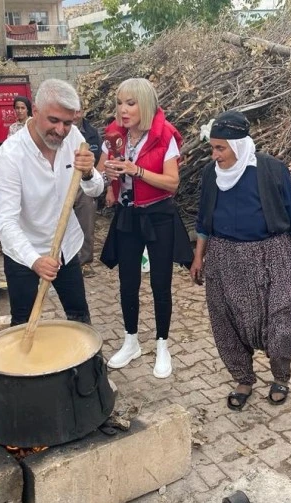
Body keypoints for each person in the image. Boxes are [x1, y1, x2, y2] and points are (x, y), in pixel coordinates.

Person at [190, 111, 291, 410]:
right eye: (213, 147)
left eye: (220, 148)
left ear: (239, 144)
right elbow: (204, 221)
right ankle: (243, 378)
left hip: (271, 256)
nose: (215, 155)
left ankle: (281, 376)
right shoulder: (211, 174)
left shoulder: (270, 170)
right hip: (223, 258)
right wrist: (198, 258)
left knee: (282, 321)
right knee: (226, 322)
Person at [99, 77, 193, 379]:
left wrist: (136, 170)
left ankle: (162, 344)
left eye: (131, 103)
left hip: (159, 216)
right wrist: (108, 174)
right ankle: (131, 341)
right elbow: (101, 173)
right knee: (128, 281)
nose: (123, 110)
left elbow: (172, 183)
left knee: (160, 283)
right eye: (120, 103)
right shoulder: (114, 136)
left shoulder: (165, 135)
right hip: (127, 216)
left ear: (146, 104)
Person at [0, 79, 104, 326]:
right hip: (24, 252)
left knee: (79, 317)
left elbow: (96, 190)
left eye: (68, 122)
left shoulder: (75, 138)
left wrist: (88, 173)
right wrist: (35, 260)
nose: (61, 130)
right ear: (35, 111)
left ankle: (88, 365)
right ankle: (24, 364)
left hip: (66, 246)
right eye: (53, 120)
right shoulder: (11, 156)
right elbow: (5, 222)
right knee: (23, 322)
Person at [72, 106, 102, 276]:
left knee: (86, 224)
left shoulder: (92, 133)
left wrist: (91, 178)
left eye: (78, 111)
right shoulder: (62, 131)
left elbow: (98, 159)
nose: (75, 115)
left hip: (85, 183)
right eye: (72, 111)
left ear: (82, 111)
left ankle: (84, 262)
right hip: (66, 183)